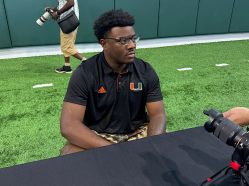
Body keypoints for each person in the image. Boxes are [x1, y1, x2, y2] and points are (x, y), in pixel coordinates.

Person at [59, 9, 166, 155]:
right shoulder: (85, 73)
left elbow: (157, 115)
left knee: (164, 144)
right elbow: (69, 125)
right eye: (123, 41)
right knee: (69, 153)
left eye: (133, 39)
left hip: (137, 132)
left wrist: (152, 144)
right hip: (99, 135)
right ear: (104, 43)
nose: (131, 45)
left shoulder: (146, 71)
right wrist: (115, 150)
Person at [50, 0, 87, 74]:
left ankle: (87, 62)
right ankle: (67, 66)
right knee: (67, 44)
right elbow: (62, 5)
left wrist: (57, 13)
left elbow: (70, 3)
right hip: (65, 20)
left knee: (66, 47)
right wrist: (53, 10)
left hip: (69, 20)